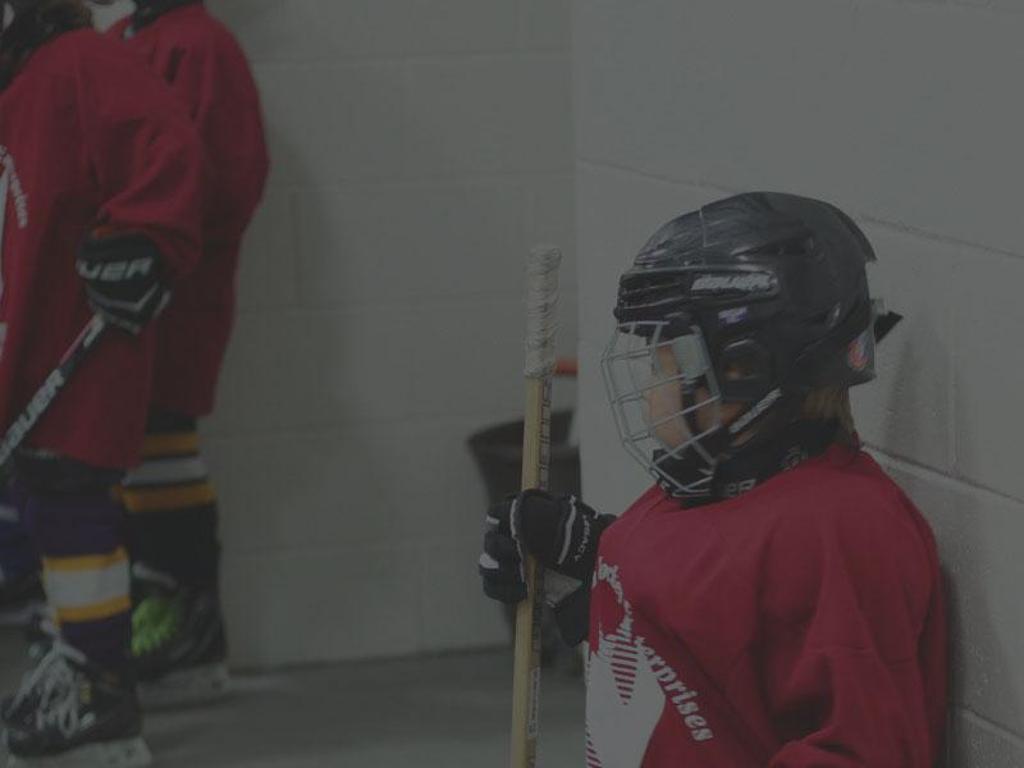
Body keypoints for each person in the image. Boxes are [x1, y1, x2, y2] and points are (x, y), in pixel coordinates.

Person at [480, 192, 948, 766]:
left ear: (743, 370)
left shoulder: (842, 531)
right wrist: (581, 556)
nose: (649, 392)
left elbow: (858, 748)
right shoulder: (708, 484)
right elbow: (705, 622)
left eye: (662, 363)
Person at [0, 0, 202, 764]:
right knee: (43, 498)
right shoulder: (22, 86)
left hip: (86, 340)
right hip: (33, 341)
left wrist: (147, 235)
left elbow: (168, 143)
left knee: (70, 493)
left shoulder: (83, 63)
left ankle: (101, 689)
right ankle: (73, 651)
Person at [97, 0, 268, 706]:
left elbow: (228, 180)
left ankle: (187, 626)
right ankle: (158, 613)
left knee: (162, 437)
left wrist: (157, 252)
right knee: (128, 449)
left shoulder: (202, 44)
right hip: (111, 282)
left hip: (171, 285)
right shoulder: (112, 39)